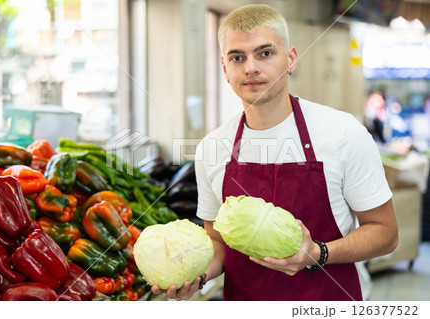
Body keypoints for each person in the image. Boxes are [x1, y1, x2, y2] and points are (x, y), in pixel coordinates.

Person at [152, 4, 398, 301]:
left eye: (265, 53)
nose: (251, 67)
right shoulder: (212, 148)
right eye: (237, 57)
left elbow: (385, 232)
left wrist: (318, 253)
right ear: (224, 68)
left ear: (291, 59)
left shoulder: (343, 133)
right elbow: (216, 240)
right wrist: (197, 275)